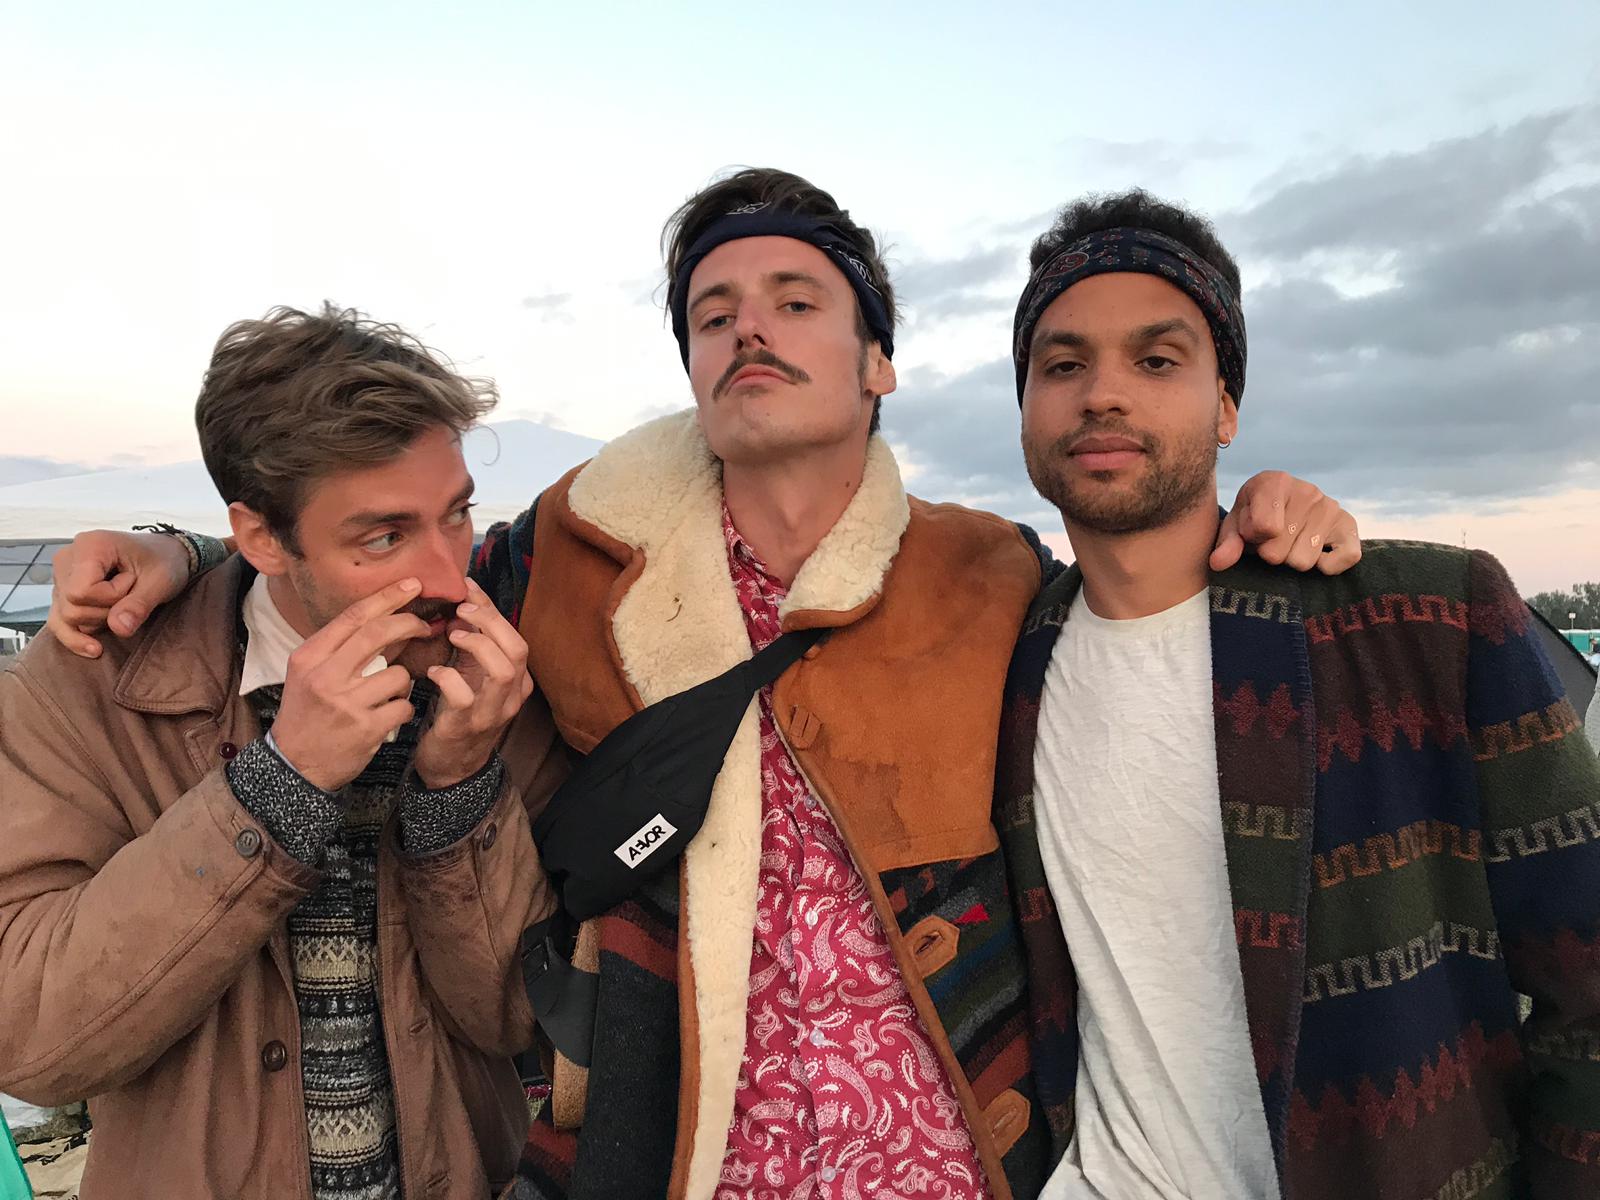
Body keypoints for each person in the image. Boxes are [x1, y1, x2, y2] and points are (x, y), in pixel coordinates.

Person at [43, 171, 1359, 1200]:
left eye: (796, 301)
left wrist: (1263, 518)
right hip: (677, 1146)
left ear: (879, 361)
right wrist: (181, 556)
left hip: (956, 1151)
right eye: (713, 314)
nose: (749, 331)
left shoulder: (993, 571)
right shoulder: (566, 554)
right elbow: (348, 558)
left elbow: (1141, 613)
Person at [994, 189, 1600, 1199]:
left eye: (1157, 361)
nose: (1102, 395)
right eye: (1062, 365)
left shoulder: (1428, 620)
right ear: (1024, 410)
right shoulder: (1008, 655)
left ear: (1226, 407)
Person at [0, 306, 565, 1199]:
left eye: (457, 514)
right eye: (384, 537)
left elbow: (513, 1019)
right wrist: (278, 785)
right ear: (262, 537)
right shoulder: (89, 683)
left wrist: (460, 785)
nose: (449, 576)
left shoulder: (497, 682)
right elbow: (32, 1042)